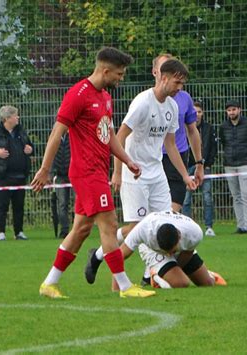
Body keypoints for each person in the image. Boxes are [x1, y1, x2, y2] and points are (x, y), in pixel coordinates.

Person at [31, 46, 155, 299]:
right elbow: (57, 133)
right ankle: (125, 286)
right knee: (109, 224)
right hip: (86, 172)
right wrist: (45, 169)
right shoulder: (78, 94)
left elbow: (107, 133)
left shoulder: (105, 97)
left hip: (97, 170)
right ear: (105, 70)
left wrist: (127, 160)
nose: (121, 78)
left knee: (81, 230)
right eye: (119, 74)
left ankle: (49, 283)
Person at [85, 58, 197, 285]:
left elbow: (171, 145)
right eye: (177, 83)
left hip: (157, 174)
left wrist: (185, 175)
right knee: (137, 230)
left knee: (166, 228)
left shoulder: (173, 107)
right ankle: (103, 262)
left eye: (182, 84)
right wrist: (118, 172)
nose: (180, 88)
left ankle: (148, 276)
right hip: (134, 175)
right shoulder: (142, 103)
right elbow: (120, 137)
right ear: (163, 78)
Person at [153, 54, 204, 212]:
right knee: (152, 216)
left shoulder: (183, 99)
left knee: (172, 213)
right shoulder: (145, 101)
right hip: (152, 158)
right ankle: (121, 236)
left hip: (177, 156)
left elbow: (192, 131)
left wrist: (199, 163)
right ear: (156, 72)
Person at [0, 105, 34, 241]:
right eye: (15, 115)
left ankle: (19, 232)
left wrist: (30, 149)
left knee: (19, 207)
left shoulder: (21, 132)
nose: (18, 118)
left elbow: (31, 147)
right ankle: (0, 232)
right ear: (7, 118)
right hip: (4, 176)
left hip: (21, 176)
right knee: (2, 206)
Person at [219, 99, 247, 233]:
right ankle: (240, 225)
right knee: (236, 195)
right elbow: (223, 142)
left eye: (234, 109)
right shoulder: (224, 126)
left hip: (245, 163)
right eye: (229, 110)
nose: (232, 112)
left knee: (246, 194)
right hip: (229, 164)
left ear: (239, 109)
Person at [182, 101, 218, 236]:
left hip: (204, 166)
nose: (196, 115)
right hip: (186, 167)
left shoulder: (208, 128)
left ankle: (209, 226)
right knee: (186, 199)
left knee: (207, 197)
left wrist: (206, 163)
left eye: (199, 112)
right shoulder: (183, 127)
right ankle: (187, 228)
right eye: (194, 112)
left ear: (203, 113)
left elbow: (213, 148)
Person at [51, 132, 71, 238]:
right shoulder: (55, 136)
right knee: (62, 204)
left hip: (74, 174)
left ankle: (80, 228)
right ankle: (64, 230)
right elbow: (51, 155)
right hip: (60, 175)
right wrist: (50, 174)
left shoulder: (74, 135)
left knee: (79, 202)